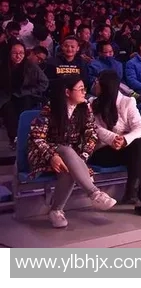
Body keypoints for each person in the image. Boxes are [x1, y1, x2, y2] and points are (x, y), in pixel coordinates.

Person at [27, 75, 116, 228]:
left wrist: (81, 159)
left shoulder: (85, 107)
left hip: (71, 157)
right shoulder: (50, 108)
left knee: (69, 167)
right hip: (44, 154)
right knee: (66, 151)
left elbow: (92, 135)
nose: (84, 92)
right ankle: (94, 193)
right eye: (80, 89)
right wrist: (52, 156)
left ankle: (56, 211)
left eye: (84, 89)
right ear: (67, 92)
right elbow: (37, 137)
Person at [89, 70, 141, 216]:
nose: (95, 85)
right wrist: (114, 138)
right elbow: (94, 128)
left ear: (105, 85)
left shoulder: (127, 102)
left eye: (97, 82)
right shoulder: (93, 103)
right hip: (102, 151)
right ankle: (139, 195)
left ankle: (137, 192)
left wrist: (124, 140)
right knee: (137, 151)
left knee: (138, 144)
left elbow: (140, 127)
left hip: (125, 149)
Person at [0, 39, 48, 149]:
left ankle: (24, 137)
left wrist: (30, 91)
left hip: (25, 95)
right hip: (6, 96)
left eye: (21, 53)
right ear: (9, 53)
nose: (18, 56)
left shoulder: (30, 65)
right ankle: (14, 138)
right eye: (15, 53)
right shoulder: (2, 65)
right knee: (8, 110)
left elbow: (44, 82)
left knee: (24, 108)